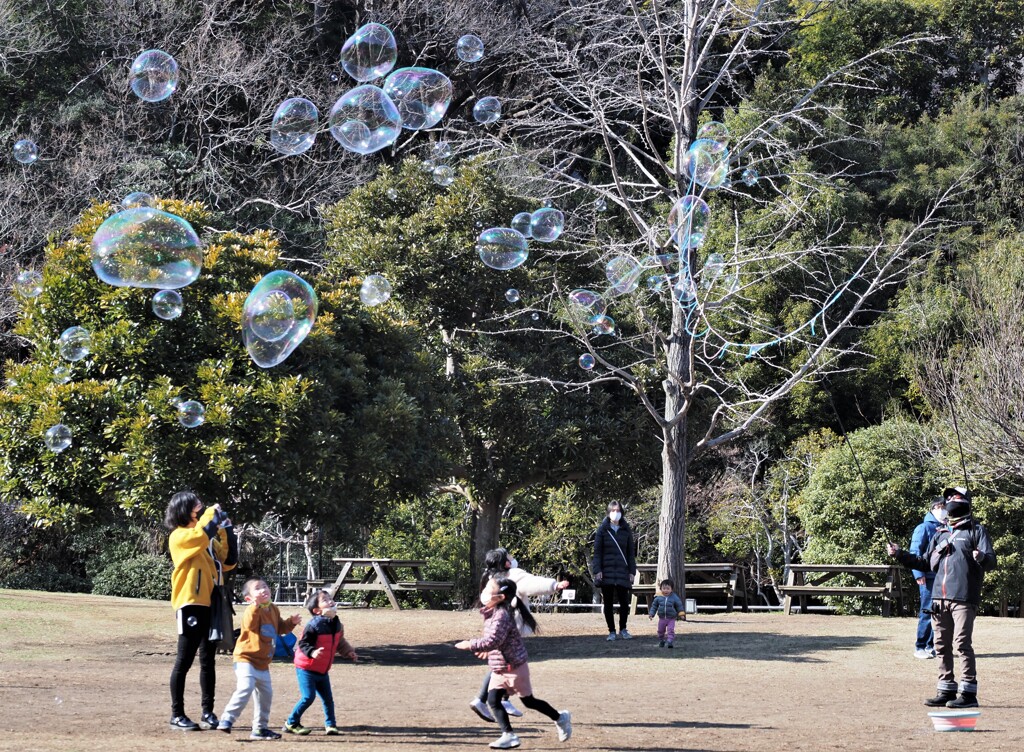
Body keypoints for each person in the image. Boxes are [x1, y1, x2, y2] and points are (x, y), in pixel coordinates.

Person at [887, 487, 997, 709]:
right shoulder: (940, 534)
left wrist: (982, 556)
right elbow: (925, 562)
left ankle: (968, 694)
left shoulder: (976, 531)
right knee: (940, 644)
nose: (951, 500)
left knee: (962, 644)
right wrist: (900, 554)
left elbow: (992, 562)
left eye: (956, 497)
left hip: (964, 597)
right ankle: (946, 689)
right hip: (939, 598)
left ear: (966, 503)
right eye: (948, 498)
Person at [456, 577, 572, 749]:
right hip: (499, 668)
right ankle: (509, 735)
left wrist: (470, 644)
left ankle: (560, 717)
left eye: (489, 590)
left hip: (515, 668)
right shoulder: (493, 612)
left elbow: (494, 639)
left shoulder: (501, 616)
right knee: (493, 701)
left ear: (501, 597)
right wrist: (488, 649)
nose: (485, 593)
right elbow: (496, 640)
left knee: (529, 702)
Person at [469, 548, 570, 723]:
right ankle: (485, 700)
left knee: (503, 663)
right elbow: (532, 583)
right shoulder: (512, 575)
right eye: (509, 556)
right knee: (505, 665)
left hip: (495, 627)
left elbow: (486, 601)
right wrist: (555, 585)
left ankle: (501, 699)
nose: (512, 558)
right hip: (508, 629)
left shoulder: (491, 579)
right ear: (506, 562)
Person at [165, 491, 237, 731]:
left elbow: (228, 561)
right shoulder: (179, 536)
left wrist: (227, 529)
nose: (200, 506)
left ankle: (208, 712)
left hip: (211, 603)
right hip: (191, 602)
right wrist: (211, 514)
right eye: (195, 504)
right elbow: (200, 533)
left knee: (208, 661)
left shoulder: (205, 539)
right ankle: (177, 714)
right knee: (184, 661)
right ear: (183, 509)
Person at [217, 578, 302, 738]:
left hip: (263, 664)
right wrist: (256, 607)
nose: (263, 590)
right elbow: (249, 625)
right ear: (249, 598)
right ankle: (227, 719)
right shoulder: (251, 610)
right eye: (257, 589)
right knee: (246, 687)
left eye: (265, 586)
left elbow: (280, 628)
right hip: (245, 659)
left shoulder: (273, 609)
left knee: (266, 696)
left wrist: (291, 622)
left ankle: (259, 729)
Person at [284, 589, 358, 736]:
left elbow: (339, 642)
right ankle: (291, 722)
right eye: (325, 600)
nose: (330, 601)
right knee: (308, 697)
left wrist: (348, 652)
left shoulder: (337, 624)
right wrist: (313, 652)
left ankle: (331, 725)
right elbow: (303, 644)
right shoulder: (313, 625)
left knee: (328, 699)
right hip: (306, 668)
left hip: (323, 670)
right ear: (317, 610)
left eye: (330, 598)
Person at [592, 501, 636, 640]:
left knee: (624, 602)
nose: (615, 513)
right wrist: (597, 570)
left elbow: (630, 553)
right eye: (613, 510)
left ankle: (623, 629)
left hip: (622, 571)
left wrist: (631, 571)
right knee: (608, 603)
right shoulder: (602, 530)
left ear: (621, 512)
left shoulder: (626, 530)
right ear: (608, 512)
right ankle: (611, 631)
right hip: (607, 571)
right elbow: (597, 552)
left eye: (618, 510)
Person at [909, 497, 946, 659]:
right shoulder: (923, 528)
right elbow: (915, 551)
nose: (943, 510)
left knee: (938, 613)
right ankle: (920, 646)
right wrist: (918, 574)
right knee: (927, 612)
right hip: (928, 577)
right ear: (934, 508)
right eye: (940, 507)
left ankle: (932, 646)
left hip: (942, 577)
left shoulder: (946, 528)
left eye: (945, 507)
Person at [648, 578, 684, 648]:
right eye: (664, 588)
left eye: (668, 589)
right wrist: (651, 614)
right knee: (660, 631)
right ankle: (661, 640)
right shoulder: (658, 597)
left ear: (671, 589)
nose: (666, 590)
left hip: (671, 618)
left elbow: (679, 606)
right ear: (661, 589)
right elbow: (654, 606)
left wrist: (681, 614)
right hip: (662, 618)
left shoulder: (674, 597)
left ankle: (670, 641)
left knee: (670, 630)